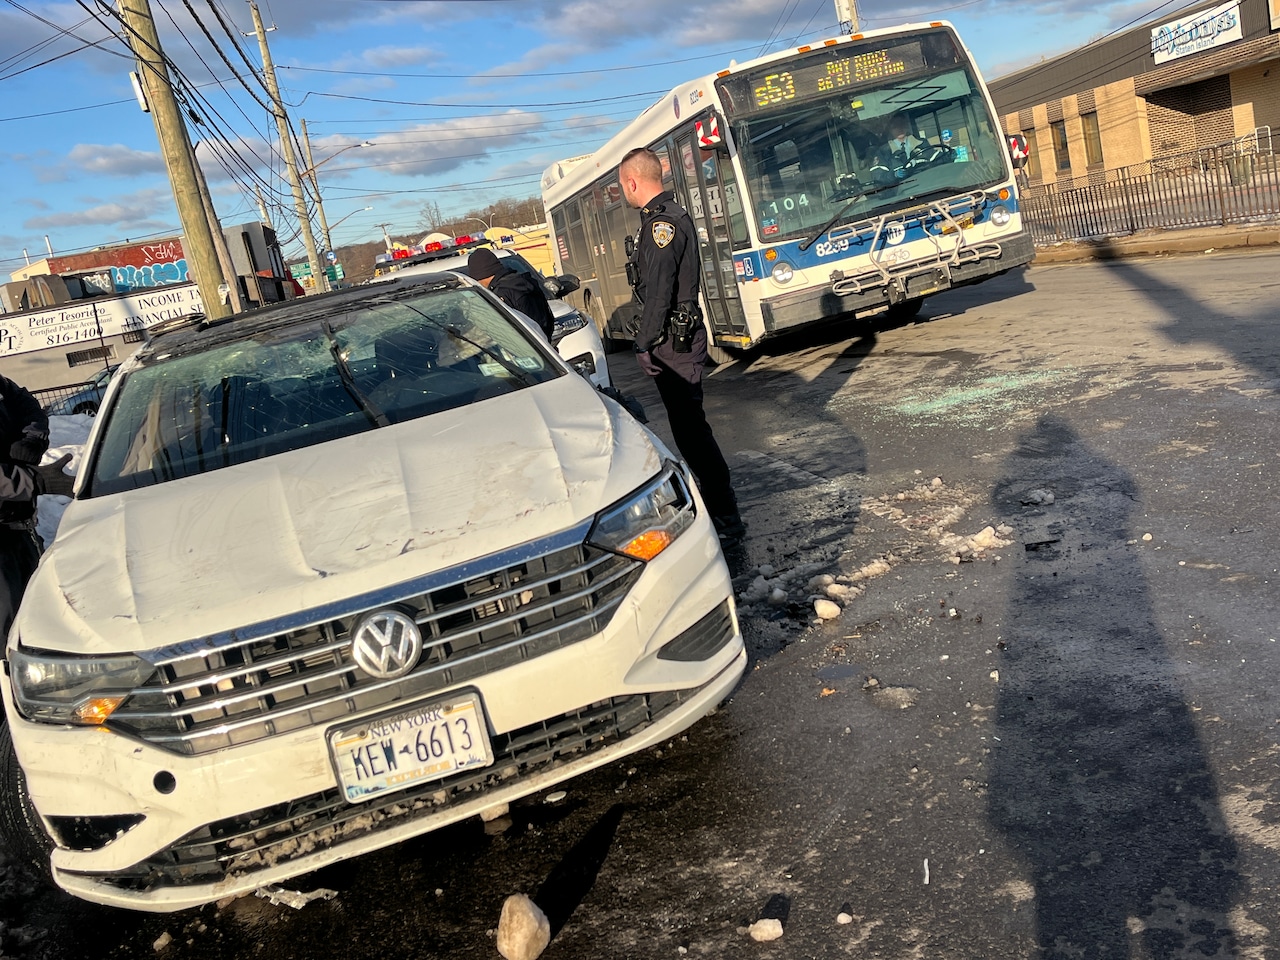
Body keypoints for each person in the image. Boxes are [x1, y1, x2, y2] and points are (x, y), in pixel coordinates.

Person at [618, 146, 745, 542]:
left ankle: (725, 515)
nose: (624, 190)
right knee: (689, 428)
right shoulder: (664, 218)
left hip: (674, 341)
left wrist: (643, 343)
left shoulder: (662, 225)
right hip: (677, 336)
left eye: (623, 184)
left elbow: (659, 292)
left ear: (632, 182)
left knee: (692, 432)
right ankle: (720, 508)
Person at [1, 375, 74, 640]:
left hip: (18, 525)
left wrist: (33, 437)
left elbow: (25, 402)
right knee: (10, 632)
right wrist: (33, 481)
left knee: (40, 613)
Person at [467, 248, 556, 340]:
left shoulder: (501, 294)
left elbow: (506, 333)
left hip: (530, 347)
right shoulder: (523, 282)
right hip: (545, 344)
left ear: (479, 276)